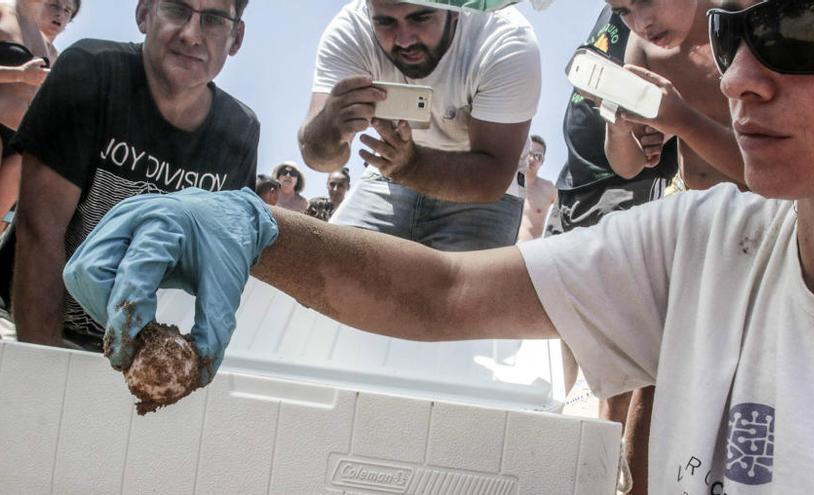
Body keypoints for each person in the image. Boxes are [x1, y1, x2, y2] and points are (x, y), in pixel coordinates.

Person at [63, 0, 814, 491]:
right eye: (735, 32)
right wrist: (257, 227)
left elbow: (489, 186)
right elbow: (443, 291)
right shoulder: (703, 243)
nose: (739, 76)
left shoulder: (508, 49)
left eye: (809, 27)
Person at [9, 0, 259, 351]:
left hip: (137, 353)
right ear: (144, 14)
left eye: (214, 20)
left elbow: (219, 270)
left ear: (236, 38)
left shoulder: (240, 131)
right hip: (26, 327)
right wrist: (43, 369)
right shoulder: (90, 71)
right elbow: (40, 232)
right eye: (176, 9)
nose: (191, 35)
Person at [544, 8, 679, 494]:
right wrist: (616, 117)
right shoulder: (626, 24)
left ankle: (610, 449)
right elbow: (583, 67)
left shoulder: (683, 31)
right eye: (622, 8)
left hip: (631, 196)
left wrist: (671, 122)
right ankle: (579, 424)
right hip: (576, 184)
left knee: (622, 324)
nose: (632, 14)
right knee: (566, 316)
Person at [298, 0, 540, 251]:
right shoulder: (352, 30)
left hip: (475, 185)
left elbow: (492, 176)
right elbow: (317, 158)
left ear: (456, 12)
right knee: (329, 263)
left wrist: (411, 165)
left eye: (420, 17)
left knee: (457, 287)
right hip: (391, 171)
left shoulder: (506, 39)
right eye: (385, 22)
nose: (404, 40)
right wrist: (329, 126)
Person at [604, 0, 746, 191]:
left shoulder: (748, 17)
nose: (640, 24)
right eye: (623, 11)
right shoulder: (641, 46)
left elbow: (772, 170)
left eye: (646, 1)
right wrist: (618, 131)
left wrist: (681, 120)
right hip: (694, 203)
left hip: (772, 206)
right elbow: (629, 167)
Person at [0, 0, 79, 233]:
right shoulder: (3, 11)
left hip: (22, 143)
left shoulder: (47, 45)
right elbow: (26, 78)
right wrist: (19, 75)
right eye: (56, 6)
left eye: (67, 11)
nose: (60, 14)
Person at [516, 135, 556, 242]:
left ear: (542, 161)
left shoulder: (548, 189)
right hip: (502, 251)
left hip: (529, 254)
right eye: (529, 153)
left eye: (537, 156)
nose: (531, 159)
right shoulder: (507, 183)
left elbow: (566, 208)